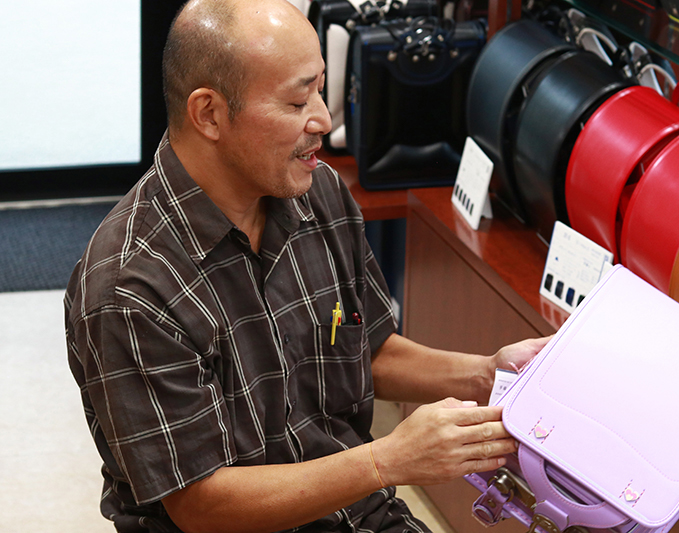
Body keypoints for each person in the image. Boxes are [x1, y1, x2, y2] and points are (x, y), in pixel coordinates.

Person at [64, 0, 551, 531]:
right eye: (298, 102)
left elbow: (367, 350)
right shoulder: (130, 286)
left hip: (358, 512)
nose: (322, 119)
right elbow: (202, 505)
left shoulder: (317, 193)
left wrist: (485, 373)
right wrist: (387, 460)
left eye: (321, 89)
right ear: (209, 114)